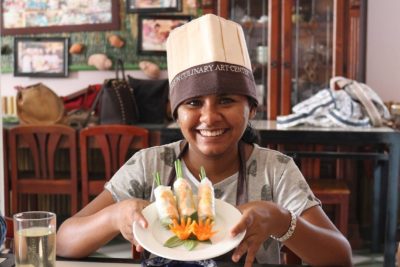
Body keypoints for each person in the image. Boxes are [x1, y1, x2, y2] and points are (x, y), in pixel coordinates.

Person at [56, 14, 352, 266]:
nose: (209, 117)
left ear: (252, 108)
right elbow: (62, 242)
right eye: (194, 103)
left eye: (226, 100)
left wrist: (279, 219)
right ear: (176, 112)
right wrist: (113, 216)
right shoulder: (148, 165)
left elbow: (341, 257)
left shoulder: (275, 170)